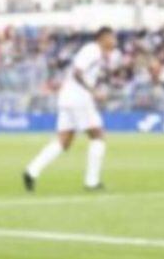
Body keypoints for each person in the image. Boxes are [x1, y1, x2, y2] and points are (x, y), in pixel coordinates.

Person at [23, 27, 117, 192]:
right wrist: (92, 91)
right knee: (98, 135)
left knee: (63, 141)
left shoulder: (95, 52)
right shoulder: (93, 50)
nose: (114, 41)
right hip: (78, 98)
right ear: (104, 37)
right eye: (112, 38)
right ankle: (91, 182)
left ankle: (32, 170)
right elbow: (77, 72)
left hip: (67, 97)